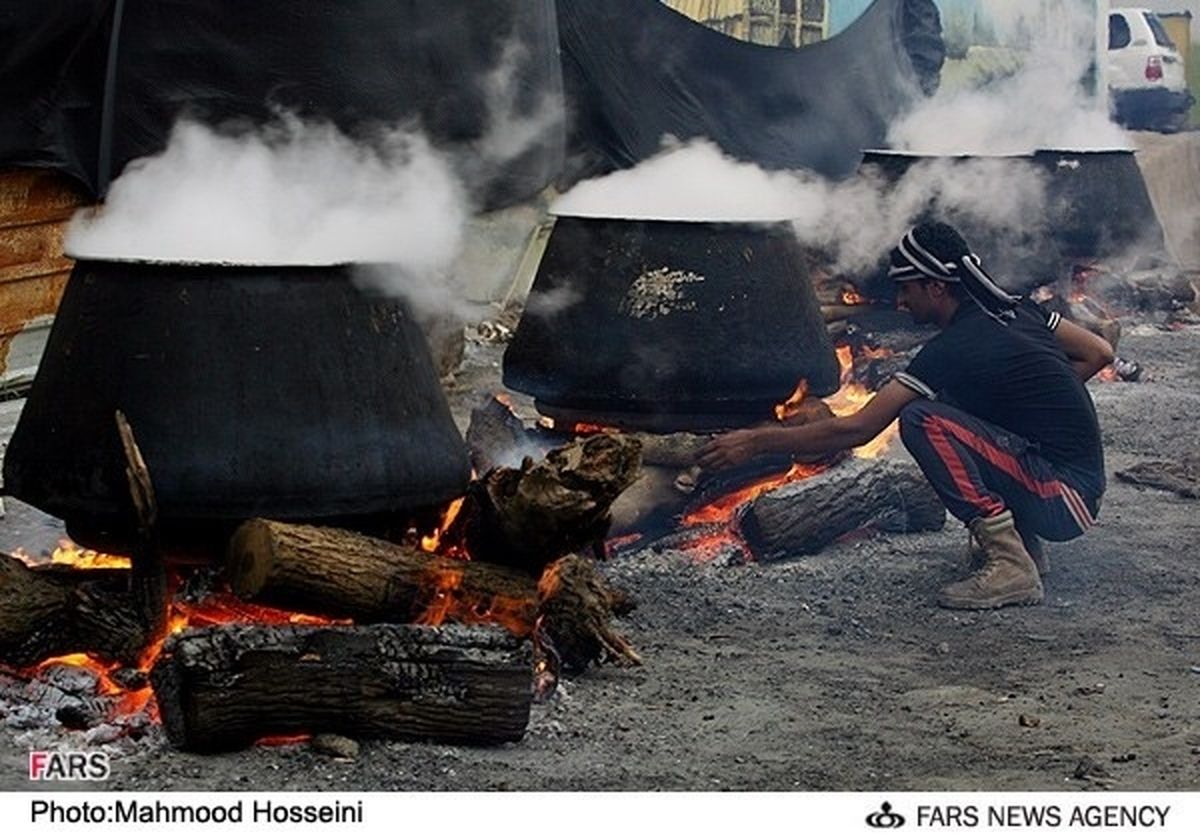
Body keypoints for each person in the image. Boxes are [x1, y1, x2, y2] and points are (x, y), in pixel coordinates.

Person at [697, 221, 1113, 609]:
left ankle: (1011, 565)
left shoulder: (953, 347)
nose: (899, 300)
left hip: (1062, 498)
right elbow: (1099, 352)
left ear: (935, 287)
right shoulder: (1019, 309)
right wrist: (1031, 406)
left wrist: (756, 442)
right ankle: (1024, 546)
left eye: (906, 288)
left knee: (922, 419)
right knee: (961, 408)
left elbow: (858, 429)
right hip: (1079, 489)